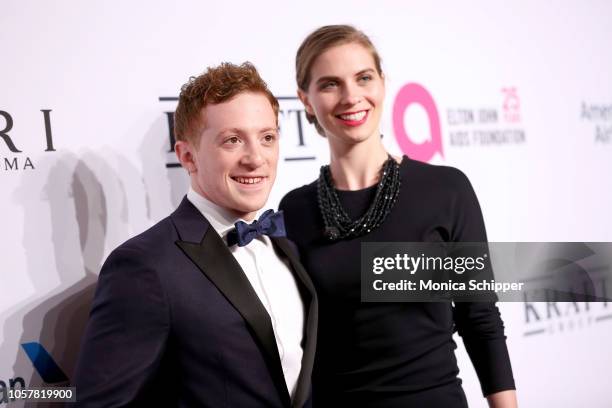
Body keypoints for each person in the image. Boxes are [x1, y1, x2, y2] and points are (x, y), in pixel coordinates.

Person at [279, 25, 517, 407]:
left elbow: (480, 317)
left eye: (363, 78)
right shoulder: (295, 211)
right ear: (305, 100)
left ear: (382, 83)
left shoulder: (445, 190)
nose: (351, 96)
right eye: (330, 84)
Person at [73, 62, 317, 407]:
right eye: (232, 140)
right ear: (188, 157)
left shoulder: (287, 246)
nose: (256, 158)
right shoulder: (146, 267)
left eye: (267, 138)